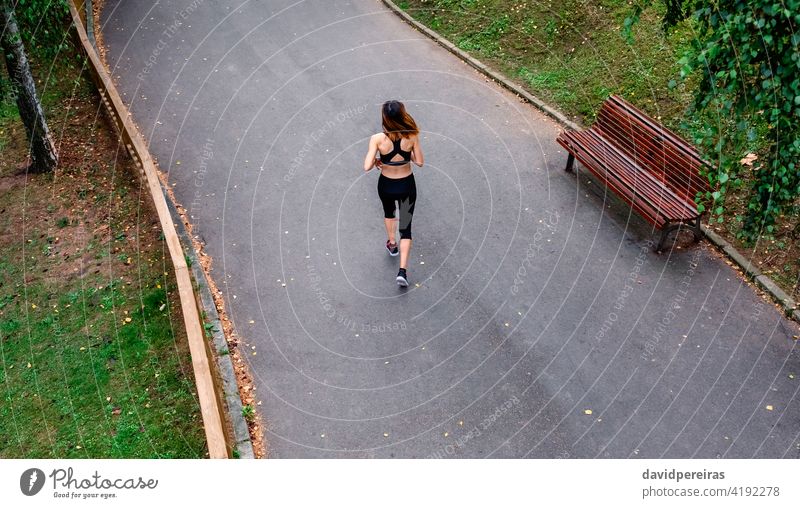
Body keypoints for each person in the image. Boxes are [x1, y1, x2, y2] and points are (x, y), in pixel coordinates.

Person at [363, 100, 424, 287]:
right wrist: (407, 155)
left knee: (389, 212)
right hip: (406, 185)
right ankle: (402, 271)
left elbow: (366, 166)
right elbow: (420, 162)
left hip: (386, 185)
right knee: (405, 227)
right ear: (402, 115)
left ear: (385, 117)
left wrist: (378, 161)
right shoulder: (412, 135)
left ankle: (391, 243)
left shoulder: (377, 138)